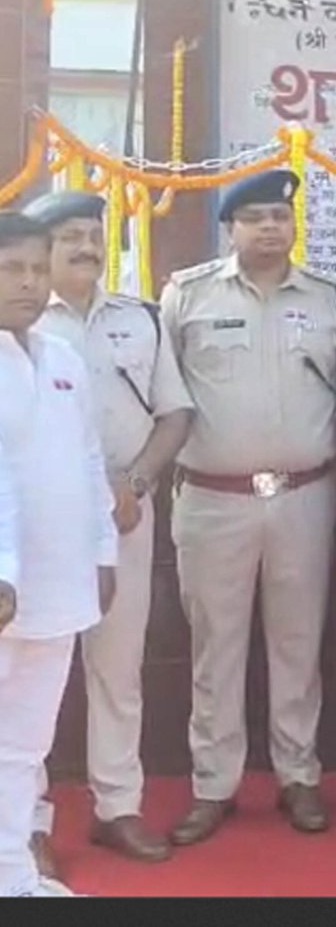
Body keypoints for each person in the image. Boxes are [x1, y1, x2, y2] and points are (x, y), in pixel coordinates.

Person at [159, 168, 336, 843]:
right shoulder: (187, 296)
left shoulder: (331, 298)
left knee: (298, 643)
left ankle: (298, 775)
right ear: (229, 228)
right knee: (215, 648)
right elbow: (164, 398)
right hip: (214, 499)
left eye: (280, 216)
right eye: (255, 217)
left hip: (305, 495)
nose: (271, 227)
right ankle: (214, 784)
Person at [21, 192, 193, 871]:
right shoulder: (21, 322)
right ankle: (26, 821)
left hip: (124, 513)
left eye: (95, 234)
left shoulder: (138, 318)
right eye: (71, 236)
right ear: (42, 251)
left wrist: (139, 482)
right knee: (29, 677)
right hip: (38, 527)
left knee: (119, 669)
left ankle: (118, 806)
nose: (88, 247)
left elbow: (175, 414)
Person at [0, 213, 118, 898]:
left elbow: (89, 461)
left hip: (59, 585)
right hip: (3, 589)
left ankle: (13, 877)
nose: (27, 283)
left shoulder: (64, 358)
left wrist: (103, 552)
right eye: (11, 269)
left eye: (36, 269)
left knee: (24, 747)